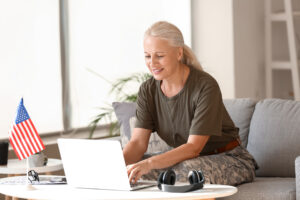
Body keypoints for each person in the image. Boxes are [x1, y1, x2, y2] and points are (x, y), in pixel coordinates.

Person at [123, 21, 258, 186]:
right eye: (147, 55)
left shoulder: (205, 86)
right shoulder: (147, 90)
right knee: (131, 173)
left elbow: (194, 147)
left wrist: (150, 164)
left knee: (185, 173)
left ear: (178, 53)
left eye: (160, 55)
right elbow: (137, 143)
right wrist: (116, 167)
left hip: (231, 159)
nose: (152, 62)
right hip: (188, 160)